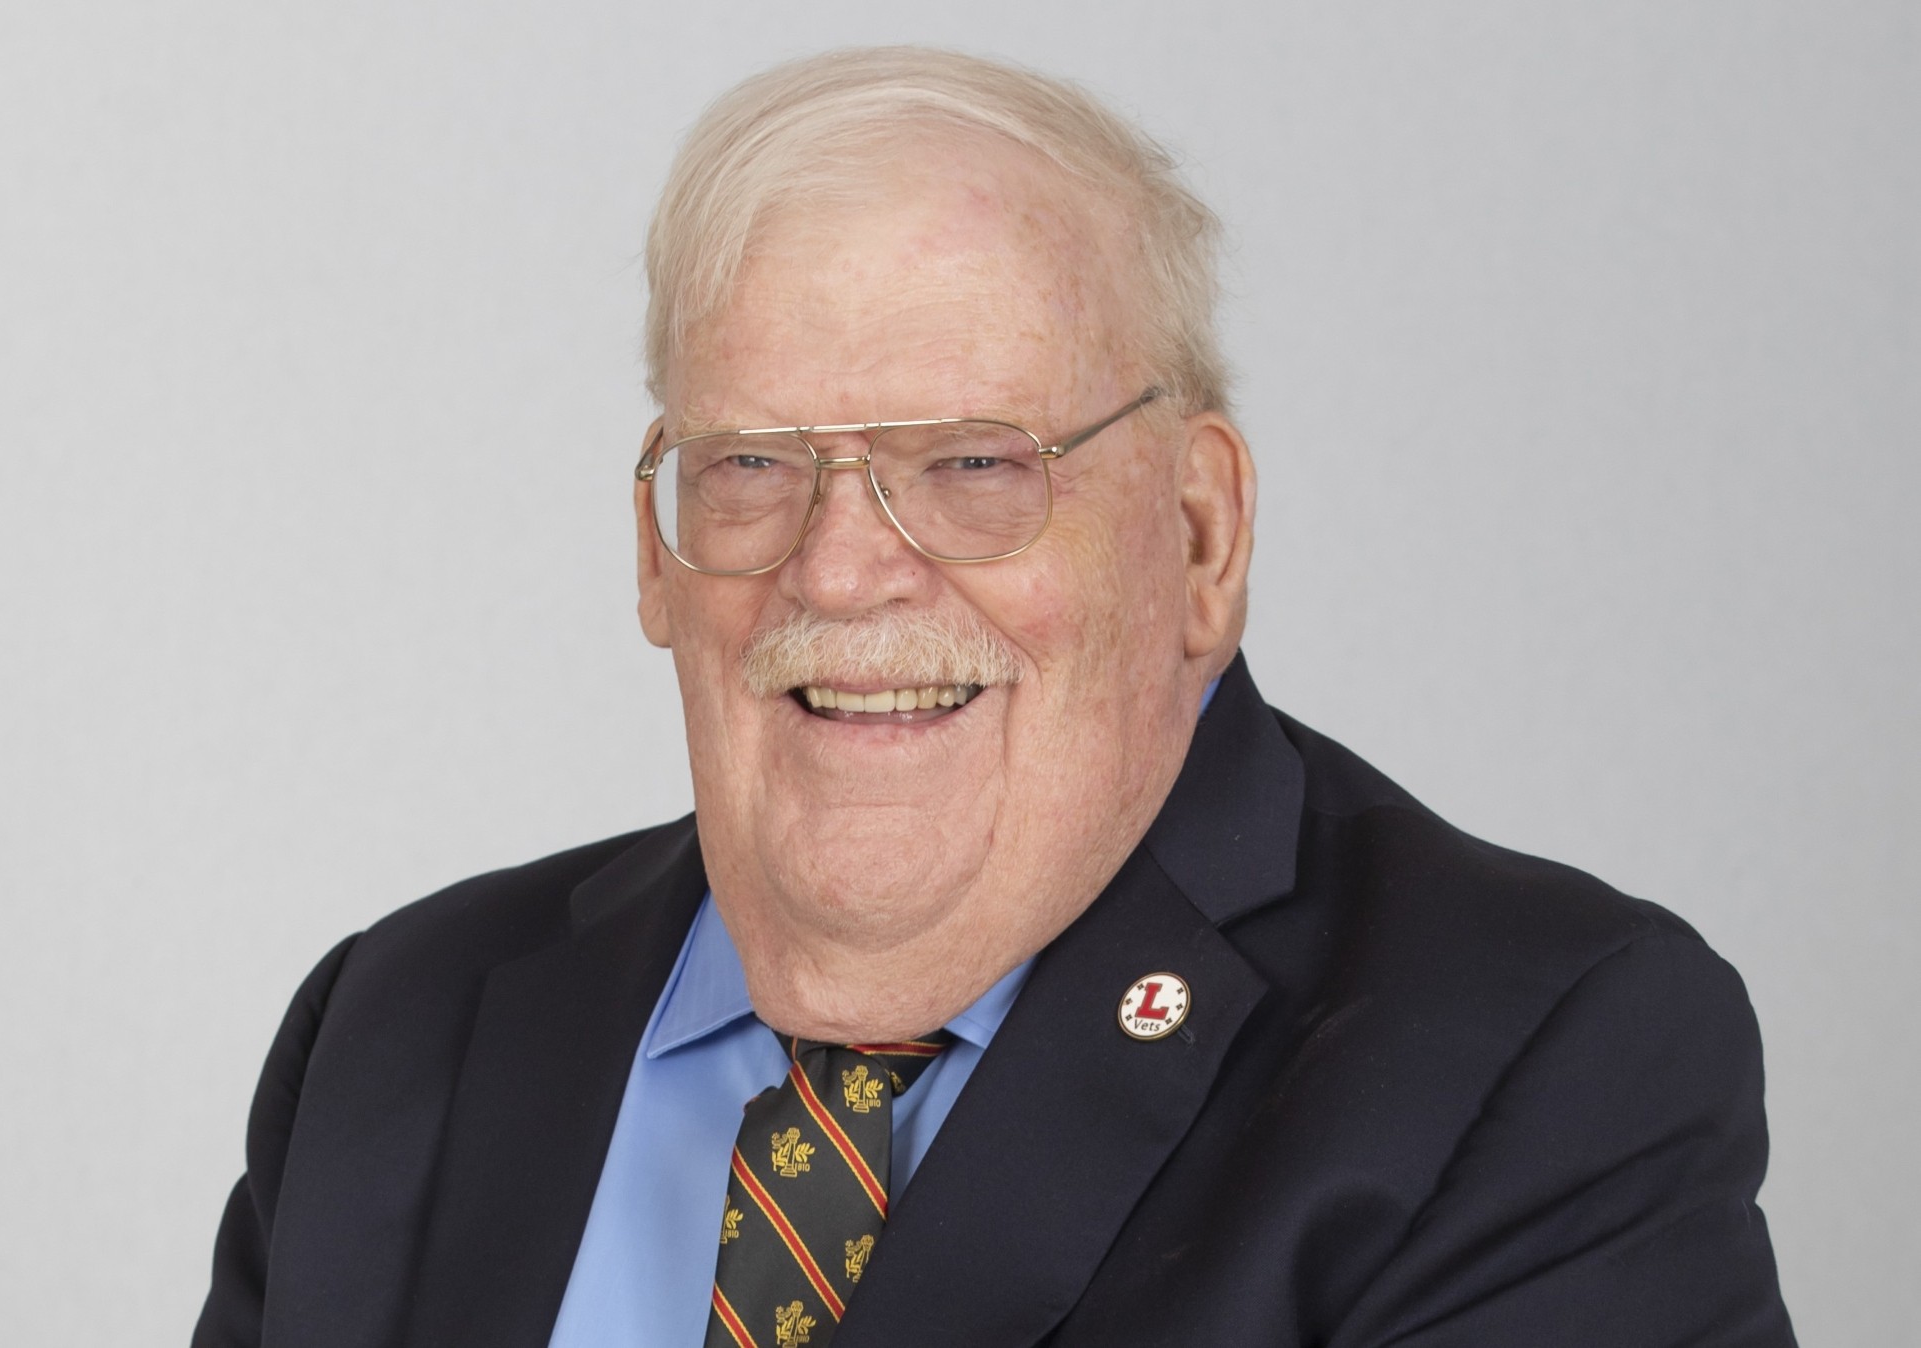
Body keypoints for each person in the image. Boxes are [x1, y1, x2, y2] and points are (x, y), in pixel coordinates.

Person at [191, 47, 1794, 1348]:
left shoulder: (1532, 1065)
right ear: (656, 553)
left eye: (972, 466)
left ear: (1197, 533)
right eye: (751, 467)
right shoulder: (395, 1028)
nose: (841, 572)